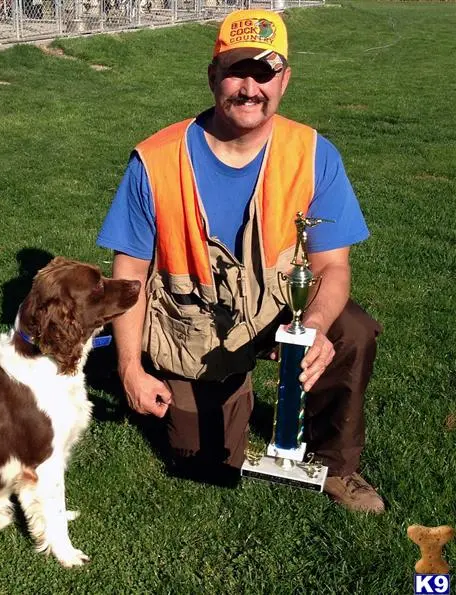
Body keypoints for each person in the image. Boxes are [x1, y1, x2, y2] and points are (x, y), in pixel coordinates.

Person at [97, 8, 384, 513]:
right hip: (196, 325)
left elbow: (333, 269)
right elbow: (129, 275)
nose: (250, 87)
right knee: (202, 462)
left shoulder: (314, 153)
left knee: (352, 330)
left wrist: (313, 326)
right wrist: (129, 369)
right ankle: (228, 392)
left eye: (265, 72)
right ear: (212, 76)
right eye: (237, 70)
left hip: (279, 308)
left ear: (285, 80)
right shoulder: (155, 159)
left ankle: (336, 466)